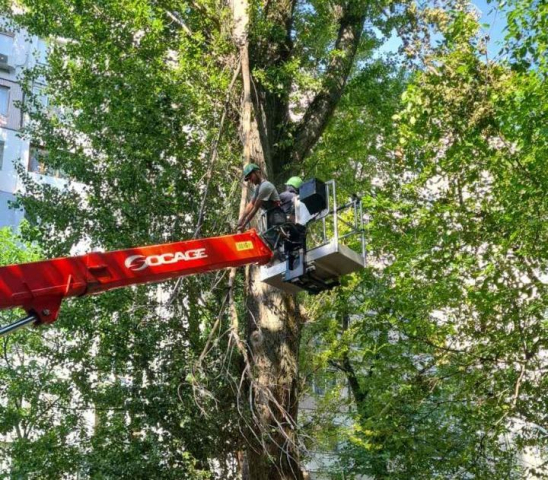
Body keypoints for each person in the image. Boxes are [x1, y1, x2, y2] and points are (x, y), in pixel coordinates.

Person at [237, 163, 283, 235]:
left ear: (257, 172)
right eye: (248, 179)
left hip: (277, 215)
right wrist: (241, 219)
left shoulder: (265, 186)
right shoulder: (258, 187)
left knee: (276, 239)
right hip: (270, 215)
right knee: (270, 239)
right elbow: (251, 204)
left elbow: (255, 207)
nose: (250, 180)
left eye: (250, 176)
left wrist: (244, 224)